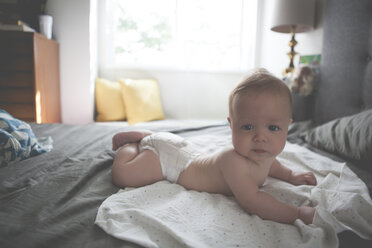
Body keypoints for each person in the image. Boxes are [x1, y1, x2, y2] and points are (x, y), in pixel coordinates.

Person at [111, 68, 317, 225]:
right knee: (123, 175)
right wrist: (296, 213)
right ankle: (133, 144)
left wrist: (291, 176)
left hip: (183, 150)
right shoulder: (233, 160)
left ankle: (150, 137)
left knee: (139, 162)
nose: (260, 137)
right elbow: (253, 200)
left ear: (287, 127)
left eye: (273, 127)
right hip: (169, 163)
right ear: (231, 125)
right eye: (247, 127)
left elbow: (272, 166)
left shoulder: (263, 153)